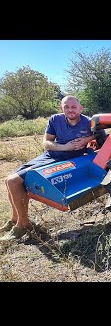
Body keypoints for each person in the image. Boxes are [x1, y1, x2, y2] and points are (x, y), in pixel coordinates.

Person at [0, 95, 96, 242]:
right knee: (9, 180)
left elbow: (101, 135)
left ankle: (23, 224)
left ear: (80, 108)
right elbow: (47, 142)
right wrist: (65, 147)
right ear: (61, 108)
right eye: (67, 107)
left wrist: (87, 139)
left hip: (69, 159)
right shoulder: (55, 120)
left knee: (13, 181)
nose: (70, 110)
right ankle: (15, 219)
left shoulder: (88, 122)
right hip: (51, 155)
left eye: (74, 107)